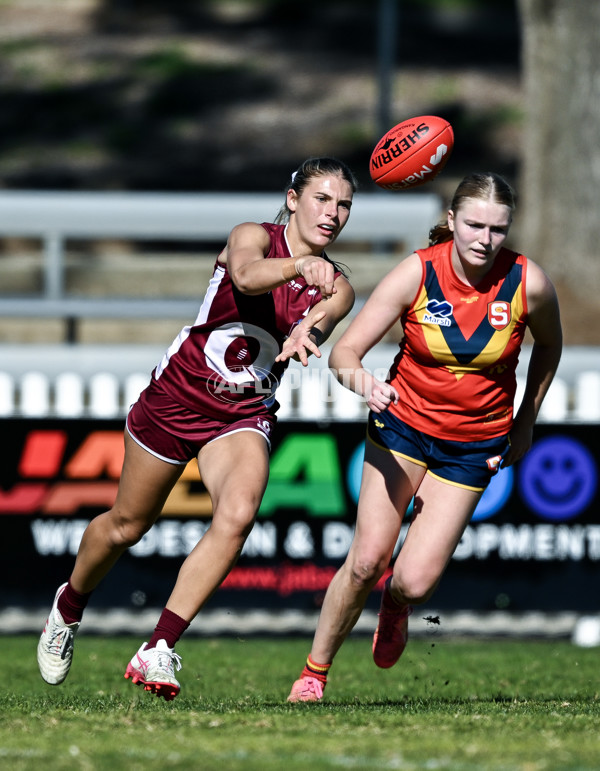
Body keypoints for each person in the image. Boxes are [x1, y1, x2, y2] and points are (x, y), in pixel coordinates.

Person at [37, 156, 357, 700]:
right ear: (293, 199)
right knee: (126, 526)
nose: (332, 212)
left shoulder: (339, 286)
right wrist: (298, 268)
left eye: (344, 204)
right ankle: (68, 607)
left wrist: (308, 333)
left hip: (241, 413)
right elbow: (247, 275)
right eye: (322, 199)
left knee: (237, 515)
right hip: (176, 398)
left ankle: (159, 647)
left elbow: (318, 320)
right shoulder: (251, 236)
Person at [288, 171, 562, 702]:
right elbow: (345, 354)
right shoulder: (416, 272)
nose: (485, 239)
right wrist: (365, 385)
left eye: (498, 229)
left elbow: (549, 348)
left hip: (474, 447)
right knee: (367, 559)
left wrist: (526, 417)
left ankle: (395, 608)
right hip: (402, 430)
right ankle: (313, 674)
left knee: (413, 582)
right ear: (453, 221)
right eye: (475, 225)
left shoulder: (529, 283)